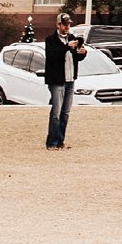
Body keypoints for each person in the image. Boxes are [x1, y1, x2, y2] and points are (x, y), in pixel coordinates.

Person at [43, 11, 86, 149]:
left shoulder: (72, 38)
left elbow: (76, 58)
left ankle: (60, 141)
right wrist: (67, 47)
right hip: (57, 81)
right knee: (56, 112)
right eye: (64, 24)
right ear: (58, 24)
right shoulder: (51, 40)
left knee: (65, 113)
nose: (67, 27)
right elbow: (52, 56)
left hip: (70, 80)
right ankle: (52, 142)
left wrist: (82, 53)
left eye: (68, 24)